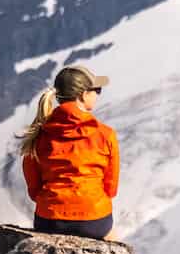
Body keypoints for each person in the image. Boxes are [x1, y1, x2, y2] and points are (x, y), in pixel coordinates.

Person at [17, 64, 120, 239]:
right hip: (94, 220)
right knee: (113, 237)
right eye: (97, 90)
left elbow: (34, 191)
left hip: (50, 221)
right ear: (83, 94)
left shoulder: (39, 135)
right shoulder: (105, 134)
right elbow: (111, 189)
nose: (97, 95)